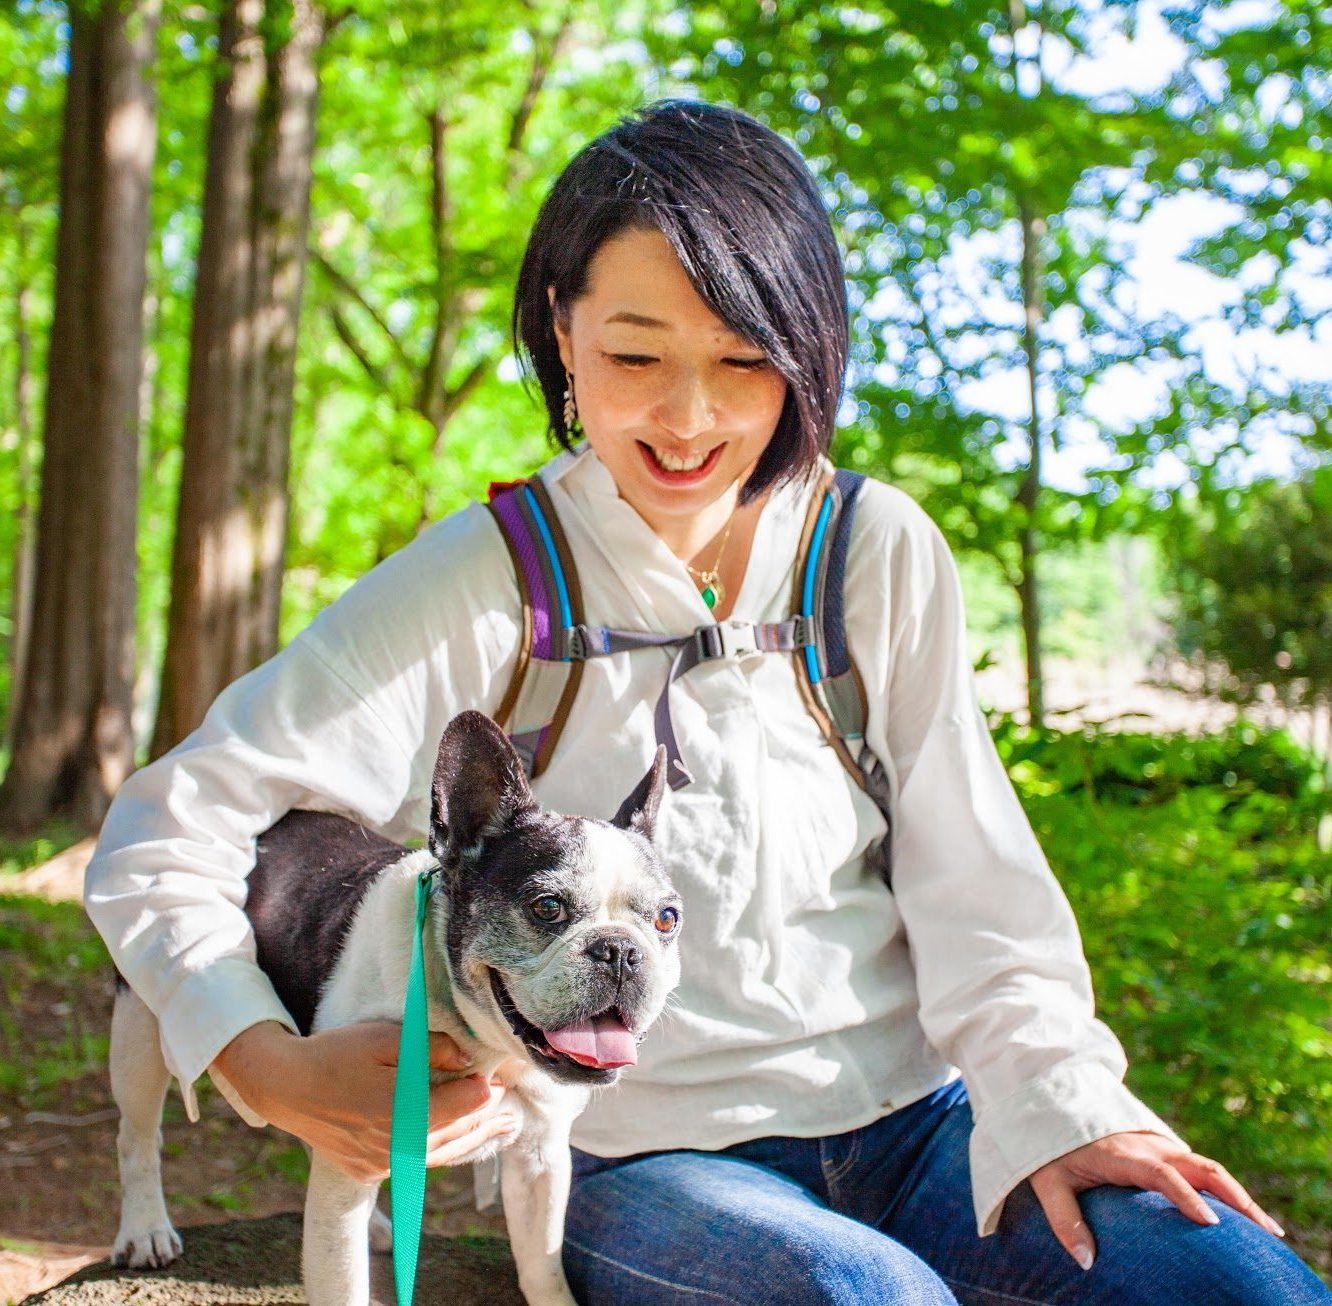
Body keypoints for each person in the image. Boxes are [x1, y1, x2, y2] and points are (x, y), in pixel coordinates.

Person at [85, 99, 1329, 1305]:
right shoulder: (487, 577)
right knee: (863, 1297)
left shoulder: (872, 550)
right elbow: (166, 831)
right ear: (562, 334)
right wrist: (270, 1063)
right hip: (642, 1161)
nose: (689, 420)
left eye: (745, 362)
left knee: (1234, 1279)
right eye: (634, 355)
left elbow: (978, 886)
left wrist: (1065, 1108)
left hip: (923, 1130)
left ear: (808, 358)